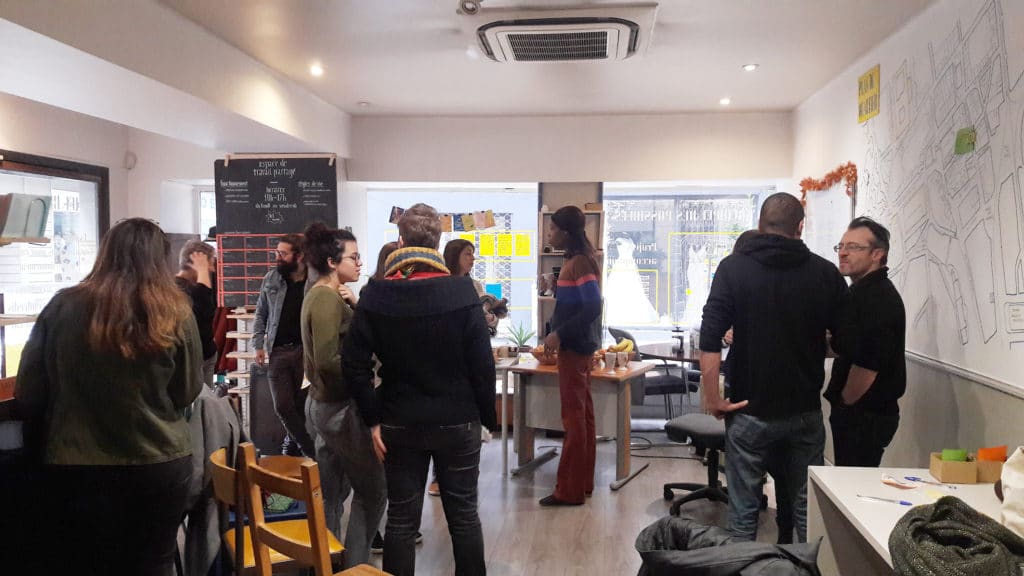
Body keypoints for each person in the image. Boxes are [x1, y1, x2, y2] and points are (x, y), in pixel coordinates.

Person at [15, 218, 204, 574]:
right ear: (160, 259)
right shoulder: (176, 311)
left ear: (106, 252)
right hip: (159, 460)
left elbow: (29, 390)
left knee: (84, 564)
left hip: (77, 463)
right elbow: (186, 391)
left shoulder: (62, 306)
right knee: (154, 563)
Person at [344, 203, 495, 576]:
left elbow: (353, 365)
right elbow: (482, 364)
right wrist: (486, 418)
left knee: (400, 520)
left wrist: (372, 420)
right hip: (458, 418)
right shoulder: (462, 291)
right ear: (438, 242)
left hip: (398, 419)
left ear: (400, 241)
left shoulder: (376, 293)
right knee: (464, 516)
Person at [699, 192, 847, 543]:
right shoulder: (825, 273)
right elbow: (846, 341)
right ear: (800, 227)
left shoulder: (733, 268)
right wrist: (810, 342)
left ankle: (744, 567)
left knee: (743, 512)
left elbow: (710, 336)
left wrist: (712, 398)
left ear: (760, 224)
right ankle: (808, 566)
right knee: (807, 509)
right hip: (804, 411)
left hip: (748, 409)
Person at [301, 222, 386, 568]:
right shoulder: (324, 297)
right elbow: (327, 360)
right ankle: (355, 567)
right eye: (353, 257)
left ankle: (328, 566)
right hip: (338, 408)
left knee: (332, 493)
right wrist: (362, 383)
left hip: (324, 405)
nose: (360, 262)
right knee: (373, 493)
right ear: (332, 262)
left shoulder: (324, 294)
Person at [825, 216, 906, 466]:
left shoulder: (877, 298)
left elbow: (868, 365)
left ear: (877, 254)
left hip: (865, 415)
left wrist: (845, 403)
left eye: (854, 247)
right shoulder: (858, 293)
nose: (843, 253)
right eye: (841, 246)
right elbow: (847, 344)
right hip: (858, 413)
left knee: (852, 482)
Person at [539, 205, 603, 507]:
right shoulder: (579, 260)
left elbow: (593, 306)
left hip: (574, 347)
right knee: (583, 417)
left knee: (574, 419)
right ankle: (582, 483)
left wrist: (559, 333)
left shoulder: (580, 262)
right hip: (579, 346)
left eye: (552, 228)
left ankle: (569, 490)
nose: (549, 234)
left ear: (565, 232)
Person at [253, 233, 315, 457]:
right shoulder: (272, 278)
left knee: (302, 404)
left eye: (282, 253)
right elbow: (261, 313)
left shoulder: (314, 281)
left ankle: (293, 441)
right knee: (282, 405)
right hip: (277, 351)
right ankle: (310, 450)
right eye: (277, 252)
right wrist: (258, 344)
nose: (277, 257)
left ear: (299, 256)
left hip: (305, 352)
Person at [175, 239, 218, 387]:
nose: (212, 270)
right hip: (193, 360)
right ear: (196, 263)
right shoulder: (177, 289)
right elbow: (204, 313)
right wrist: (202, 270)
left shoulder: (194, 287)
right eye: (209, 264)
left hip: (205, 356)